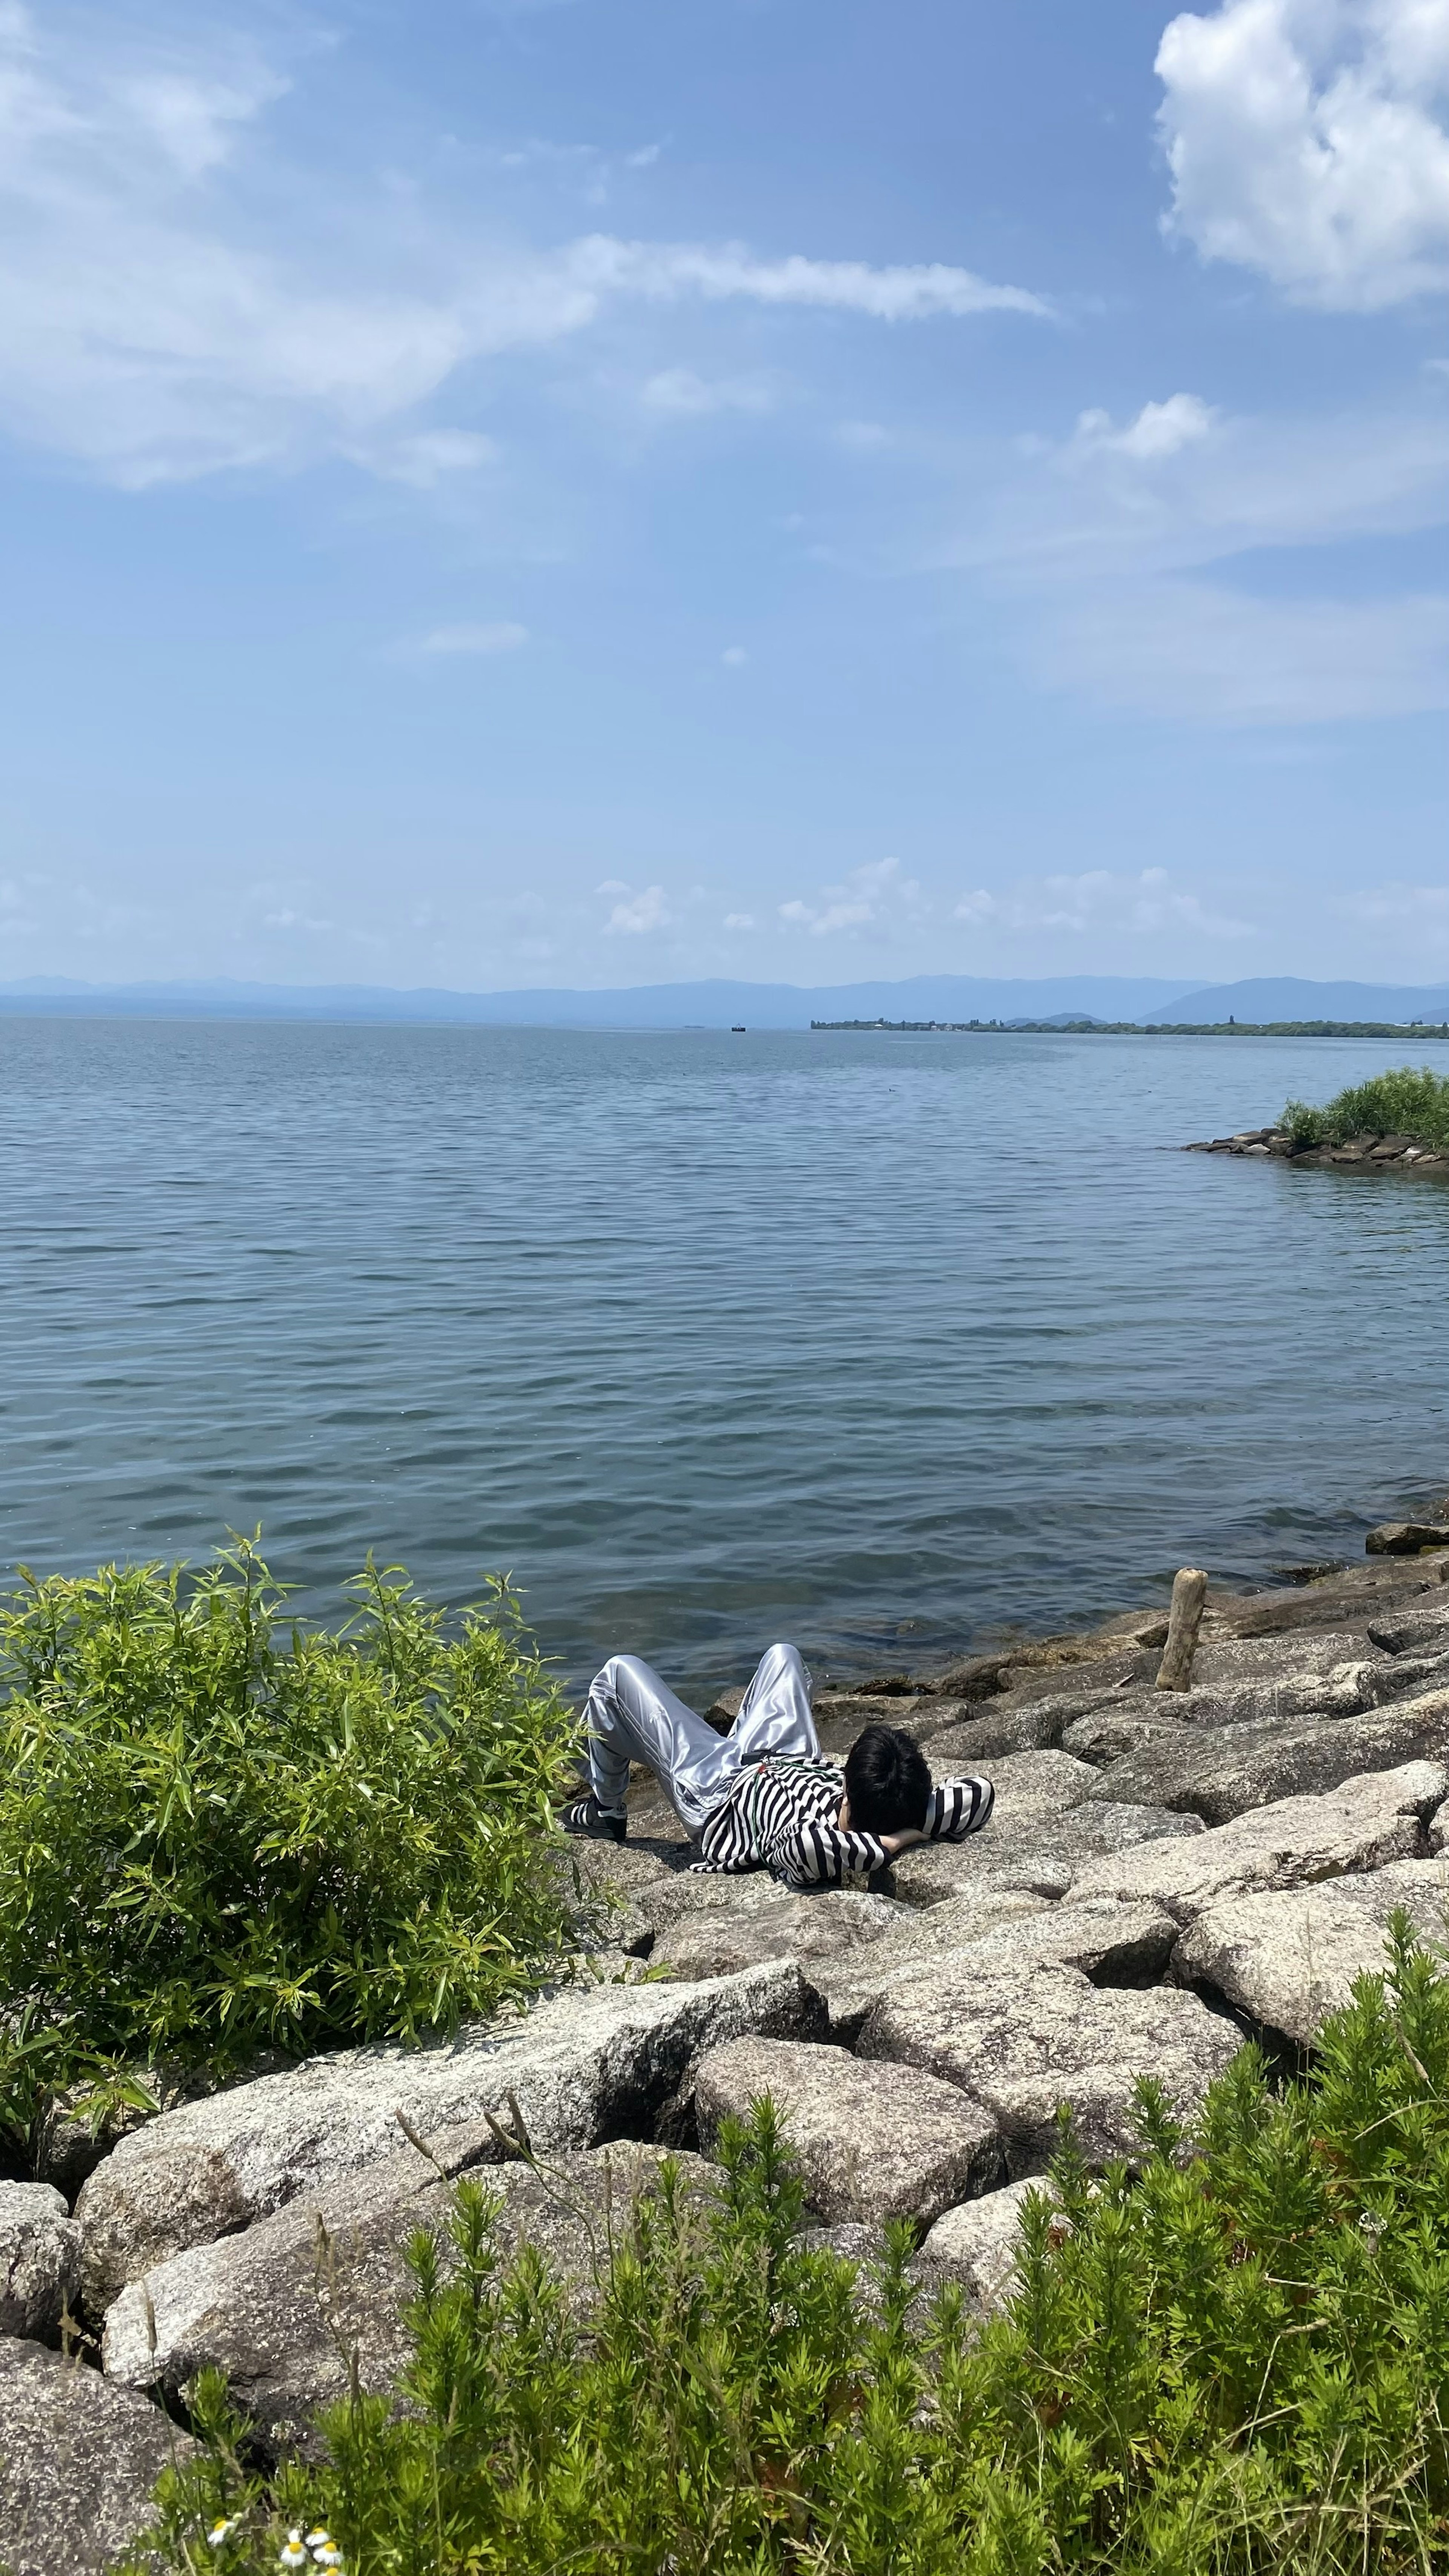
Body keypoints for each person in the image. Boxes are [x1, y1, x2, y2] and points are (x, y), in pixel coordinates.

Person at [562, 1640, 993, 1891]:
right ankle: (734, 1732)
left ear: (847, 1790)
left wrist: (892, 1845)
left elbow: (803, 1848)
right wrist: (914, 1825)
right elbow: (980, 1791)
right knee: (783, 1655)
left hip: (718, 1790)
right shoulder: (900, 1804)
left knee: (620, 1673)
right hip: (786, 1758)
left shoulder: (810, 1841)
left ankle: (606, 1808)